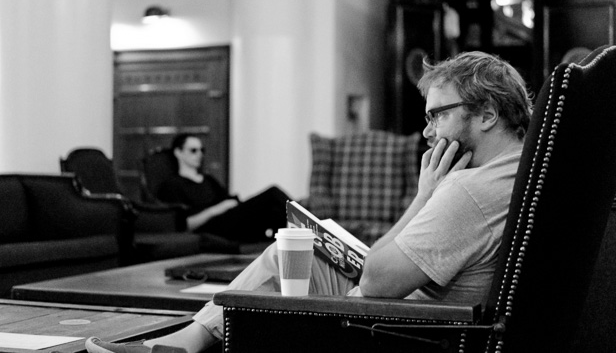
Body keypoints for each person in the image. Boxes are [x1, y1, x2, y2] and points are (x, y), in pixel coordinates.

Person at [86, 51, 532, 353]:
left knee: (290, 260)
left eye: (438, 115)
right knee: (289, 252)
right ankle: (186, 342)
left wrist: (422, 198)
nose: (427, 131)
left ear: (488, 114)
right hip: (423, 311)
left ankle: (187, 343)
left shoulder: (466, 191)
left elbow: (376, 282)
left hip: (394, 326)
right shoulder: (516, 172)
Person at [157, 133, 291, 243]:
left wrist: (230, 204)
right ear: (178, 152)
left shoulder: (208, 179)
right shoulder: (172, 184)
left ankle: (279, 249)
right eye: (193, 150)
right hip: (211, 227)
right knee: (272, 193)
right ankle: (306, 218)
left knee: (275, 210)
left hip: (230, 219)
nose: (199, 154)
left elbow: (226, 199)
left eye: (201, 150)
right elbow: (184, 224)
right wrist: (216, 209)